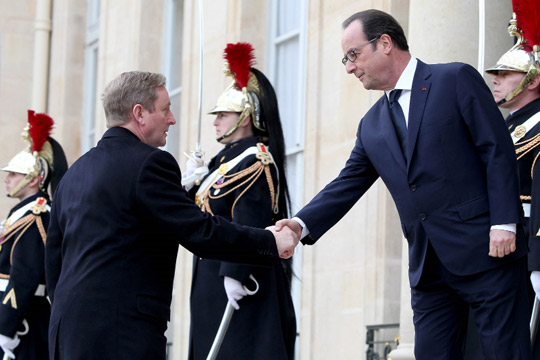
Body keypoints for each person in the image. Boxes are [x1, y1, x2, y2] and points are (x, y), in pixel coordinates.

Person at [275, 9, 531, 360]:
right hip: (428, 268)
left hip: (487, 250)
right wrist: (299, 225)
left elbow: (497, 149)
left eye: (354, 55)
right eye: (345, 59)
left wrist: (504, 222)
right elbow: (346, 184)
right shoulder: (371, 124)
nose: (349, 67)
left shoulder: (454, 79)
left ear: (384, 43)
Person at [44, 71, 298, 360]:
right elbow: (201, 232)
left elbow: (54, 259)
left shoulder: (74, 173)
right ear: (139, 113)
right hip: (122, 332)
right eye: (165, 109)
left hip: (66, 330)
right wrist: (268, 240)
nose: (172, 119)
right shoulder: (150, 163)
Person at [183, 43, 296, 360]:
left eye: (223, 114)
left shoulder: (254, 161)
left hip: (240, 280)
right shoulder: (223, 161)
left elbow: (249, 219)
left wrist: (236, 273)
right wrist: (189, 184)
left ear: (245, 117)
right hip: (210, 278)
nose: (216, 121)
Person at [486, 6, 540, 357]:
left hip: (528, 245)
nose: (496, 79)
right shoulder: (504, 127)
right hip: (503, 251)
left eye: (505, 73)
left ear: (532, 79)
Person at [0, 110, 67, 359]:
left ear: (33, 179)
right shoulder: (20, 215)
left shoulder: (36, 216)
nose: (8, 179)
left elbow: (23, 277)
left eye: (14, 174)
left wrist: (5, 331)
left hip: (21, 323)